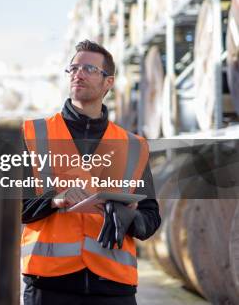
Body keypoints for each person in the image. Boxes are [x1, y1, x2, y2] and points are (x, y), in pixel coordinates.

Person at [21, 40, 161, 305]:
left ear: (109, 82)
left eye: (88, 68)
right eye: (73, 67)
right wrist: (55, 199)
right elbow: (9, 207)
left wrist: (129, 216)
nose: (78, 73)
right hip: (48, 286)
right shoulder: (31, 134)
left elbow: (150, 218)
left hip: (113, 288)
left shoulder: (134, 146)